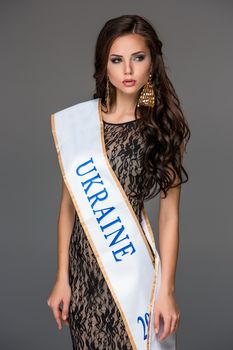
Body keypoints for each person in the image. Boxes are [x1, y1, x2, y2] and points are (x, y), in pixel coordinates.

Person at [47, 14, 190, 350]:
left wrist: (166, 291)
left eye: (137, 58)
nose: (128, 71)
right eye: (117, 60)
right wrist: (61, 278)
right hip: (84, 278)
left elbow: (169, 217)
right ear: (104, 66)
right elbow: (69, 208)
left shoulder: (161, 131)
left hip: (132, 273)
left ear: (152, 63)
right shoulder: (81, 125)